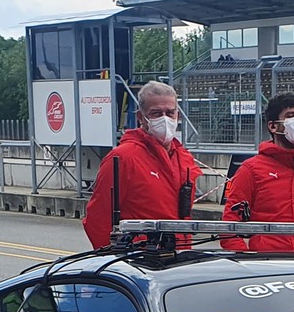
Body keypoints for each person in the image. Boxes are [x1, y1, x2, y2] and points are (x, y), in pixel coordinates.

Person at [82, 80, 203, 250]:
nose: (165, 118)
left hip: (176, 258)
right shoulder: (122, 158)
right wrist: (115, 261)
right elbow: (98, 219)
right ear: (141, 117)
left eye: (170, 112)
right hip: (139, 262)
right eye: (156, 113)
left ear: (178, 115)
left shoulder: (183, 158)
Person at [221, 92, 294, 252]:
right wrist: (246, 260)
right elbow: (231, 221)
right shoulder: (251, 170)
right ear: (272, 126)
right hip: (267, 266)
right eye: (291, 116)